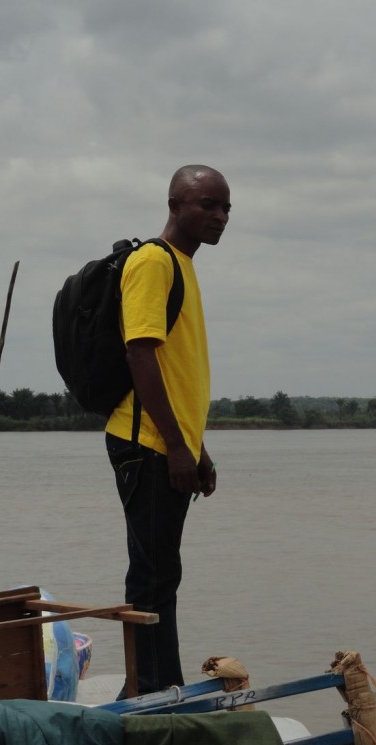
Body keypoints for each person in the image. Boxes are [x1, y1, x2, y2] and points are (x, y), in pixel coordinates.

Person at [104, 164, 230, 696]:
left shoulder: (182, 266)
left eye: (226, 208)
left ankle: (156, 685)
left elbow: (178, 374)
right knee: (152, 575)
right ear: (176, 205)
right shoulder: (153, 261)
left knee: (161, 573)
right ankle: (151, 691)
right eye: (208, 204)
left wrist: (196, 448)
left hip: (169, 444)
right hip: (145, 444)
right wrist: (176, 447)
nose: (220, 217)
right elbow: (140, 352)